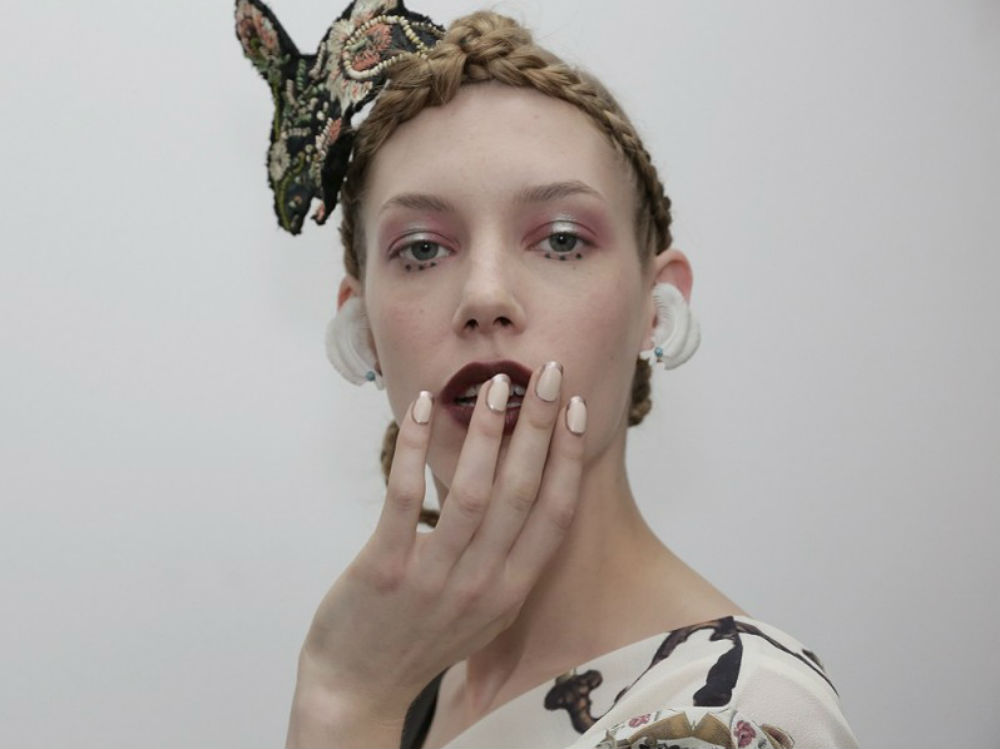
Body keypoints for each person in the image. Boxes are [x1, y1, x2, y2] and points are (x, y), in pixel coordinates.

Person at [235, 1, 859, 747]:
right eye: (423, 249)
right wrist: (358, 693)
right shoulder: (408, 687)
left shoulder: (733, 708)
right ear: (362, 330)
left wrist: (345, 702)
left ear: (655, 311)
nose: (485, 296)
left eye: (562, 240)